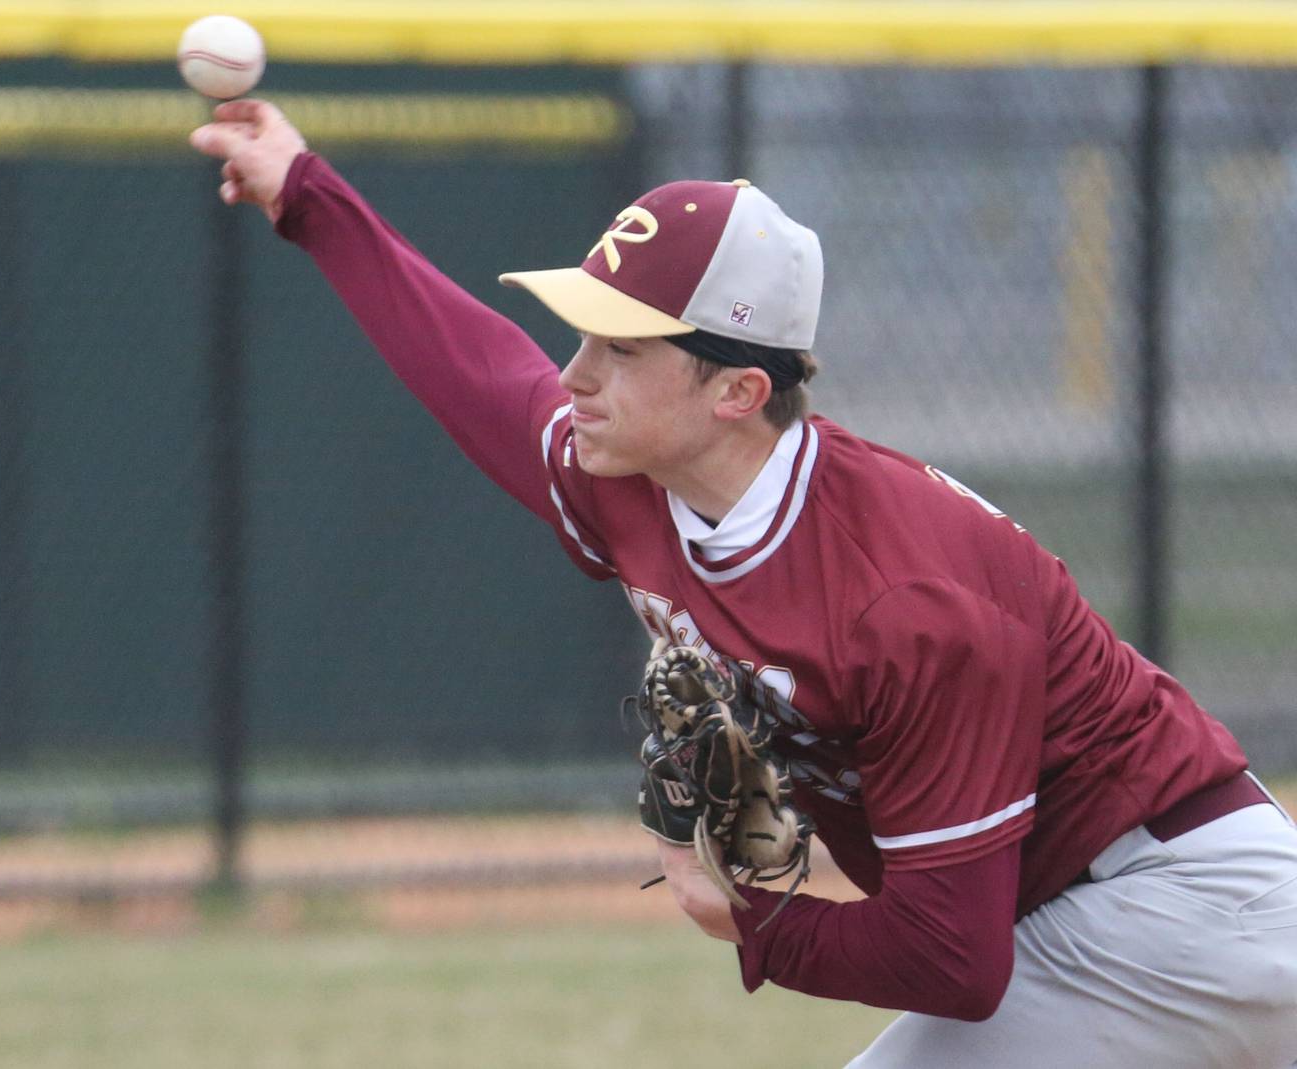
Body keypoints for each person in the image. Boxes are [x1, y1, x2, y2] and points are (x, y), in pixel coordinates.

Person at [190, 99, 1297, 1067]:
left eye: (620, 347)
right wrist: (309, 197)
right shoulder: (631, 474)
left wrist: (742, 912)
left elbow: (957, 963)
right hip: (1079, 912)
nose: (576, 373)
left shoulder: (904, 597)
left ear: (735, 392)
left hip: (1177, 908)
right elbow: (482, 373)